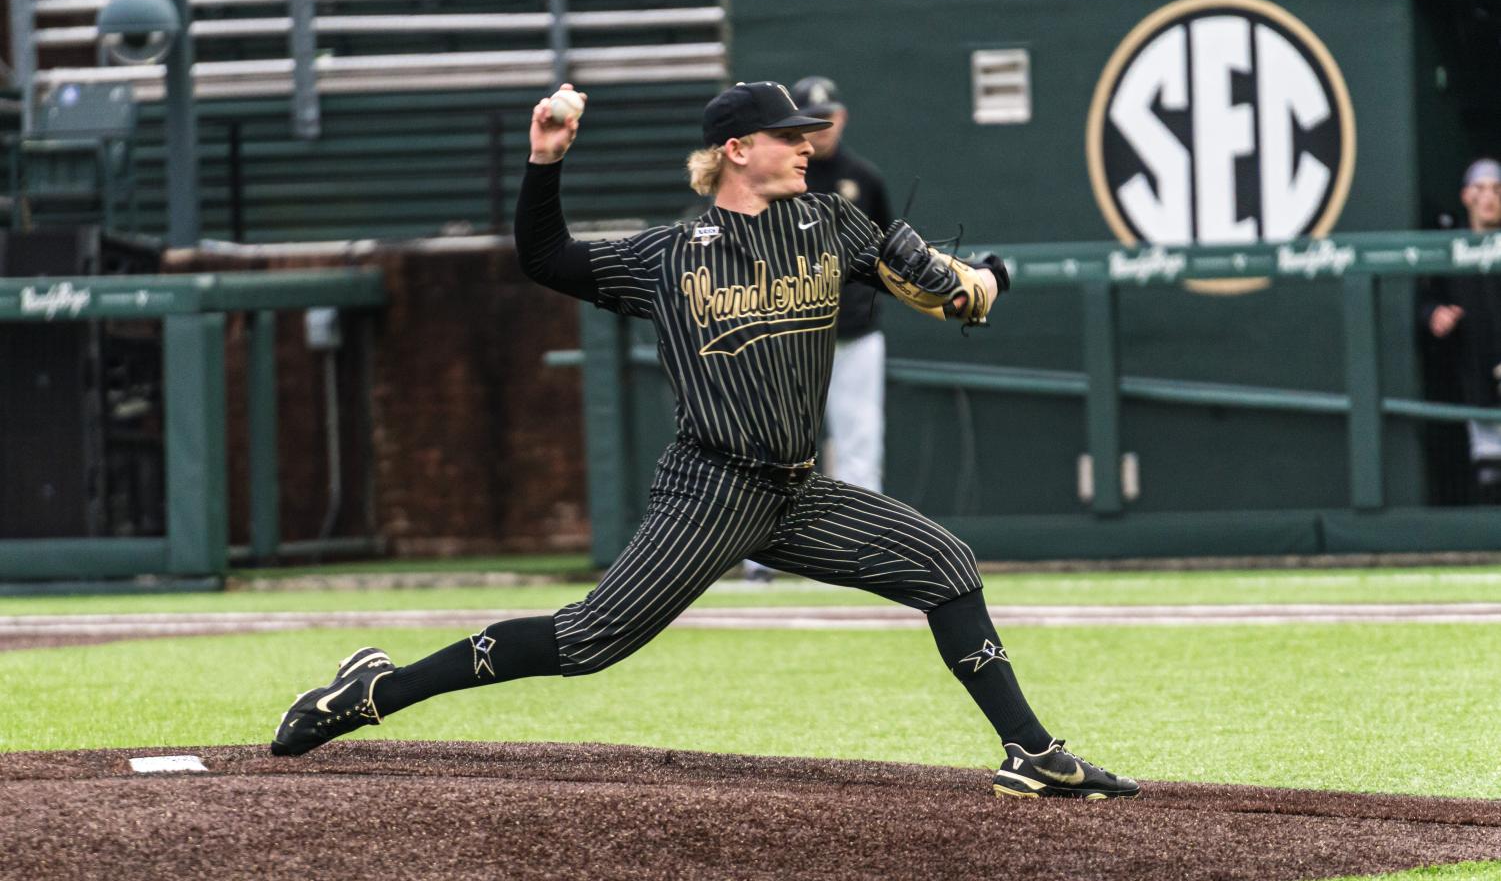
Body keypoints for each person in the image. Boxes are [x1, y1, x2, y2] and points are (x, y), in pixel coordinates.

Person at [271, 80, 1140, 800]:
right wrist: (546, 159)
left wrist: (977, 284)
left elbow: (932, 282)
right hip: (710, 490)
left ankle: (1028, 752)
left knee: (945, 566)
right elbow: (545, 257)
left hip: (796, 492)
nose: (807, 144)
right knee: (584, 642)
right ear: (735, 150)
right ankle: (373, 691)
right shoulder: (667, 255)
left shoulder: (831, 223)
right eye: (786, 135)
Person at [743, 76, 891, 583]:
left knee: (859, 442)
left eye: (828, 115)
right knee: (777, 446)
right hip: (788, 333)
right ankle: (761, 558)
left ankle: (863, 553)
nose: (821, 128)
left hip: (854, 331)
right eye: (811, 118)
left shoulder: (863, 179)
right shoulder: (777, 181)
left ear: (842, 116)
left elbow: (887, 254)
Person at [1421, 158, 1501, 502]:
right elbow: (1424, 300)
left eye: (1497, 189)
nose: (1489, 198)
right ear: (1466, 196)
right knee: (1487, 478)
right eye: (1481, 189)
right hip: (1472, 389)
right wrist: (1433, 314)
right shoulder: (1449, 249)